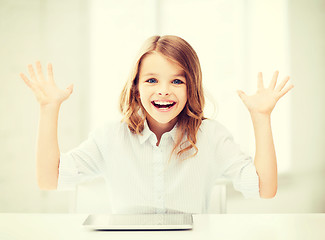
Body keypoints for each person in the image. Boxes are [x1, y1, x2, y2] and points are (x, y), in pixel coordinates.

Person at [20, 35, 294, 214]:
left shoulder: (211, 136)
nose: (164, 90)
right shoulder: (110, 136)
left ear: (191, 89)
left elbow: (264, 189)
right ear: (136, 88)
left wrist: (261, 118)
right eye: (152, 80)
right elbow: (49, 180)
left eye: (177, 81)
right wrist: (49, 109)